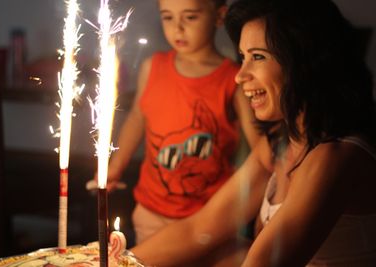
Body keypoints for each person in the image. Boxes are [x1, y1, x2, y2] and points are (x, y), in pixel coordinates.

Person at [129, 0, 376, 266]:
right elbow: (198, 230)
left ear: (304, 60)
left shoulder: (335, 156)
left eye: (258, 57)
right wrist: (106, 260)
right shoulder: (277, 146)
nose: (240, 75)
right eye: (243, 57)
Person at [92, 0, 260, 245]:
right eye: (168, 17)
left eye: (190, 17)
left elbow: (261, 146)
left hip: (209, 217)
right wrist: (114, 167)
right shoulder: (153, 67)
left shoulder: (234, 78)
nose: (177, 28)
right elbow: (137, 118)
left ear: (219, 16)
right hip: (152, 211)